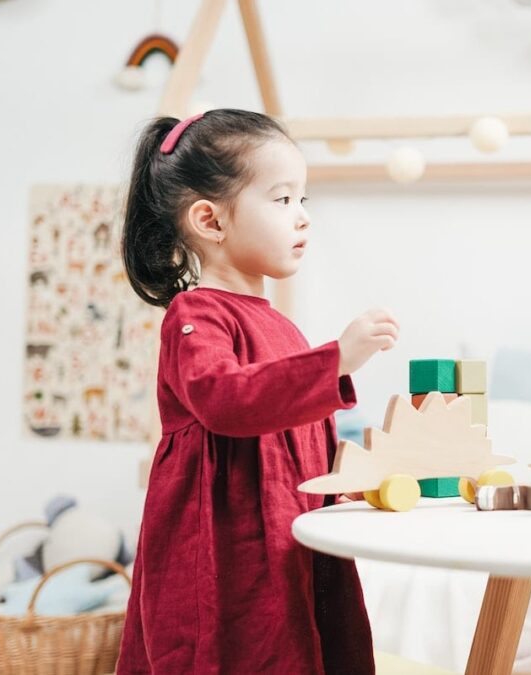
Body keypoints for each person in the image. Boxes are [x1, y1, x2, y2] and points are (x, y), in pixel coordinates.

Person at [117, 109, 398, 674]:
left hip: (287, 540)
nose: (302, 219)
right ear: (210, 221)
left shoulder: (283, 327)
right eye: (282, 199)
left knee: (302, 647)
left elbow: (305, 440)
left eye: (304, 201)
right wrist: (336, 358)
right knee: (236, 651)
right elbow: (227, 400)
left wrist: (345, 490)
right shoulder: (196, 315)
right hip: (226, 548)